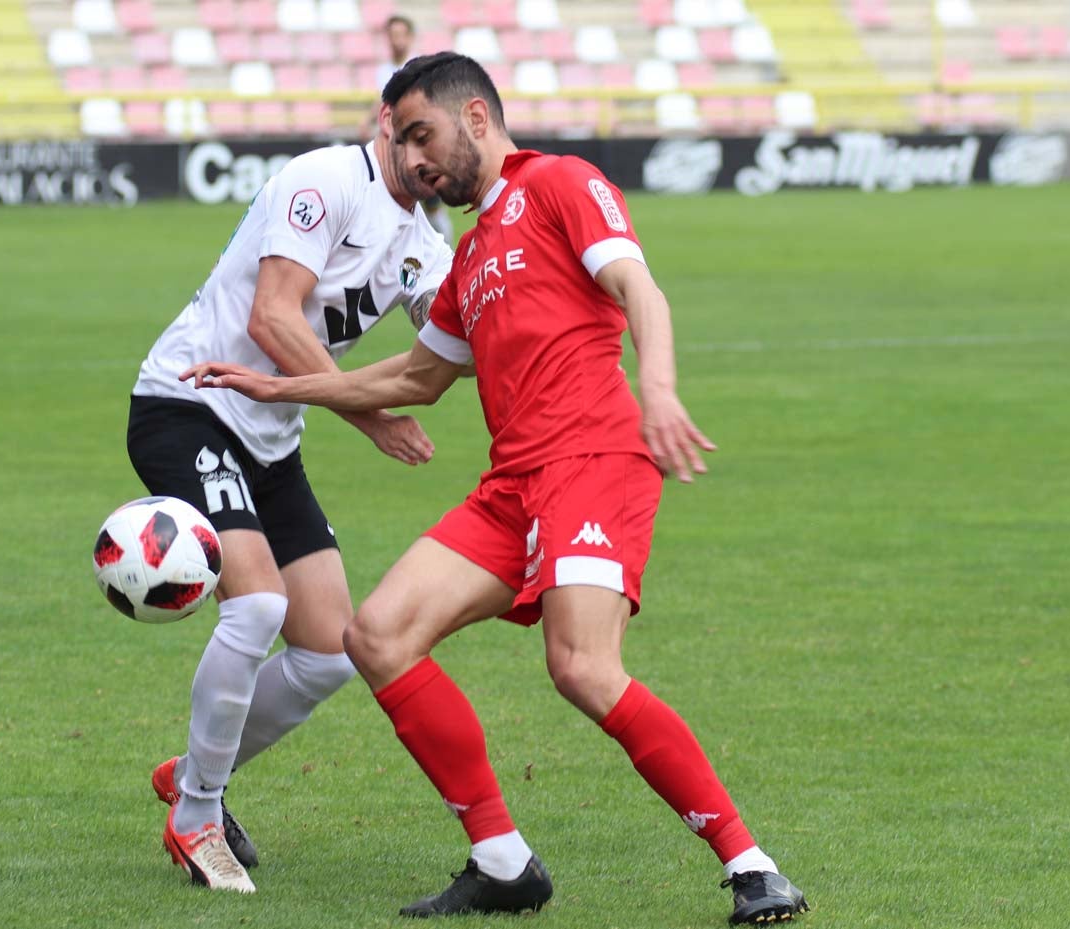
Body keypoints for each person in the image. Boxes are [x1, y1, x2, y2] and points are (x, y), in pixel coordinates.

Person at [180, 52, 809, 925]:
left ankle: (752, 865)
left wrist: (657, 387)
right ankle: (502, 861)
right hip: (513, 485)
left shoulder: (559, 182)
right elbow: (411, 379)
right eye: (400, 142)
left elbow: (640, 287)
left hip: (592, 460)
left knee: (581, 667)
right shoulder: (466, 257)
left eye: (422, 134)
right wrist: (278, 387)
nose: (412, 158)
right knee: (378, 634)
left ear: (476, 116)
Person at [127, 102, 451, 894]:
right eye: (416, 134)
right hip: (189, 403)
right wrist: (370, 415)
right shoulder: (326, 180)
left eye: (441, 141)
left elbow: (453, 343)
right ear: (387, 123)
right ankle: (198, 812)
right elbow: (271, 315)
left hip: (272, 438)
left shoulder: (425, 247)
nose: (428, 155)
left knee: (328, 650)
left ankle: (196, 770)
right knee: (258, 606)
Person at [369, 13, 455, 247]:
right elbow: (383, 104)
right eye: (391, 35)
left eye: (400, 34)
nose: (396, 40)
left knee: (432, 202)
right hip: (395, 146)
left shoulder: (420, 67)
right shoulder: (383, 70)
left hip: (419, 144)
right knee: (395, 202)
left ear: (409, 37)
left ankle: (446, 254)